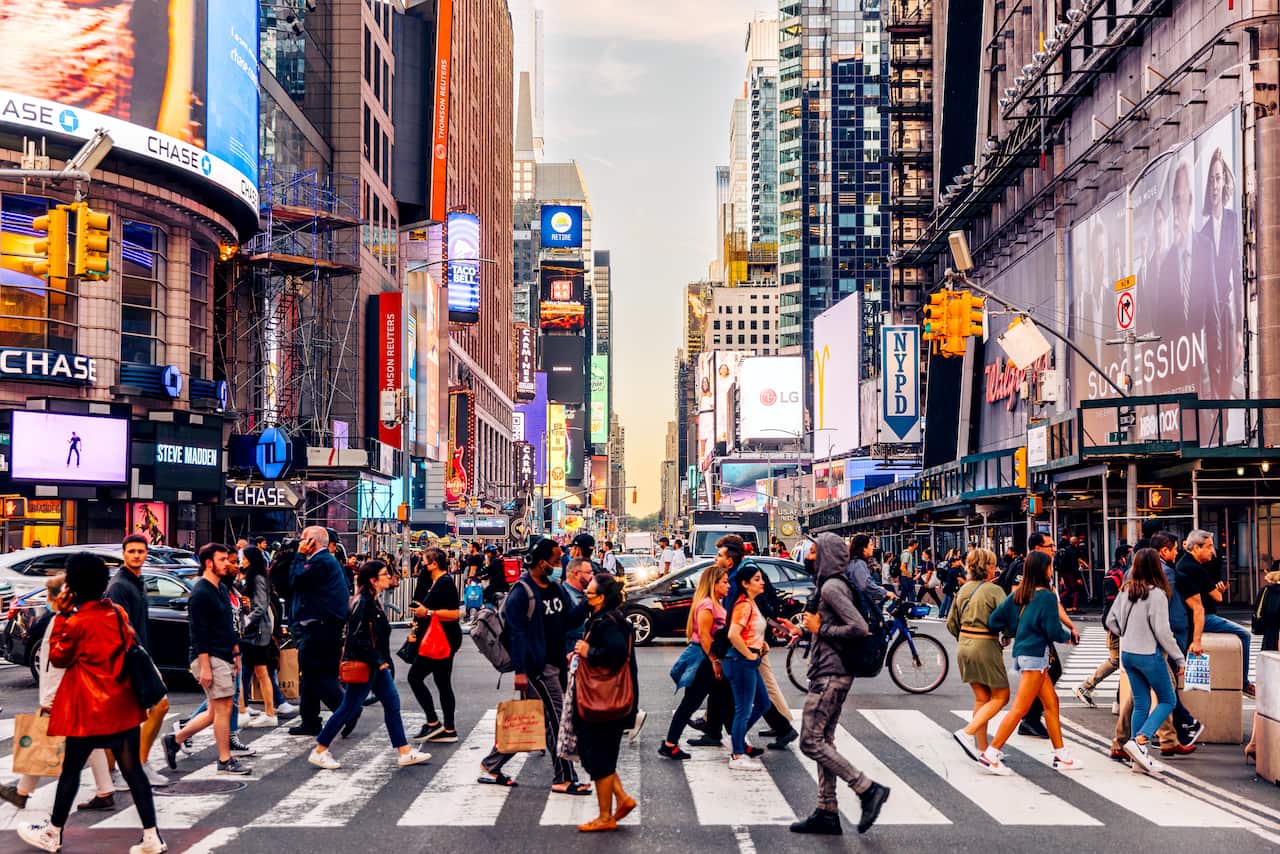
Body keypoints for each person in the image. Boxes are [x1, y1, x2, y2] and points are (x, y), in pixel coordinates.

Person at [16, 553, 166, 854]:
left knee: (71, 771)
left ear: (73, 585)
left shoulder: (74, 623)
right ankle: (152, 836)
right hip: (122, 704)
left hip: (87, 710)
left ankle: (53, 833)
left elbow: (59, 657)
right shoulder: (117, 613)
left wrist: (60, 615)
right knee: (132, 770)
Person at [791, 533, 890, 836]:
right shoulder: (828, 585)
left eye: (814, 551)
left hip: (831, 676)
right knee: (824, 740)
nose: (809, 556)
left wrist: (823, 629)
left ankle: (866, 788)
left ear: (828, 556)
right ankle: (826, 810)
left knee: (810, 741)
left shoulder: (833, 587)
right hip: (830, 671)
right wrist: (807, 632)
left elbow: (858, 627)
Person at [479, 538, 591, 794]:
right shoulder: (522, 592)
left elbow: (567, 622)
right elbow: (517, 634)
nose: (559, 565)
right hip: (537, 668)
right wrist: (520, 672)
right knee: (558, 719)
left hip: (556, 664)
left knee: (540, 720)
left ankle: (491, 765)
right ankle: (564, 777)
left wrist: (588, 603)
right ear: (542, 563)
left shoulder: (556, 589)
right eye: (555, 561)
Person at [0, 573, 115, 813]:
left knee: (41, 740)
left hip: (63, 696)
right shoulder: (72, 618)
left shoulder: (62, 622)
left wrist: (48, 700)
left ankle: (23, 793)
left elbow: (56, 664)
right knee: (88, 742)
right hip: (74, 693)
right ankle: (104, 791)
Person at [307, 560, 431, 770]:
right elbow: (358, 639)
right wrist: (378, 661)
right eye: (384, 574)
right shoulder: (363, 602)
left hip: (375, 665)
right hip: (367, 665)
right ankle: (320, 749)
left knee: (392, 703)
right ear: (373, 580)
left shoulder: (372, 600)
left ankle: (403, 750)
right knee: (349, 708)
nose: (388, 577)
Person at [982, 550, 1082, 774]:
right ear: (1044, 570)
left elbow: (995, 619)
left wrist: (1014, 630)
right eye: (1050, 566)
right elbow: (1052, 629)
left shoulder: (1020, 594)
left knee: (1052, 703)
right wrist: (1070, 637)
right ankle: (991, 753)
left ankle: (1061, 755)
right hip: (1036, 656)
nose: (1051, 570)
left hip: (1026, 653)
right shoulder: (1046, 596)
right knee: (1020, 709)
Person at [1110, 533, 1201, 760]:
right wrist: (1179, 658)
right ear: (1155, 567)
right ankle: (1141, 739)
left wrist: (1126, 632)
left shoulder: (1127, 590)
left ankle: (1134, 748)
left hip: (1128, 654)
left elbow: (1111, 620)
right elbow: (1162, 632)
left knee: (1141, 703)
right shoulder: (1157, 594)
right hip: (1149, 655)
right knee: (1167, 699)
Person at [163, 544, 252, 776]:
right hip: (210, 656)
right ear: (209, 563)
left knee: (214, 711)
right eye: (222, 559)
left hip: (224, 654)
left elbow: (227, 625)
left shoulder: (221, 588)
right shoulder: (201, 593)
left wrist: (235, 653)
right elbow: (199, 633)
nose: (228, 563)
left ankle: (175, 740)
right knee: (222, 710)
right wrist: (205, 667)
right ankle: (225, 759)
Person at [571, 574, 639, 832]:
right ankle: (621, 800)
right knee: (596, 756)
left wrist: (589, 652)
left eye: (588, 594)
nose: (585, 597)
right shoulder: (606, 618)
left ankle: (605, 816)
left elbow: (617, 653)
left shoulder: (608, 622)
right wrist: (581, 653)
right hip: (606, 699)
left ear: (600, 598)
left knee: (598, 755)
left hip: (606, 700)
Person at [108, 534, 170, 785]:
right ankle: (137, 766)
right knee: (157, 706)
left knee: (127, 718)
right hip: (129, 659)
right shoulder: (119, 586)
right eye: (131, 551)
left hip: (137, 655)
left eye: (140, 551)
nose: (136, 555)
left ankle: (121, 770)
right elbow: (119, 627)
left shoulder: (136, 580)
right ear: (123, 554)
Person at [659, 562, 731, 760]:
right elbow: (706, 637)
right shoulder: (707, 605)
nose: (728, 586)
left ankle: (738, 742)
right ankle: (669, 744)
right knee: (690, 704)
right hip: (704, 662)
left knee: (725, 700)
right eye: (724, 582)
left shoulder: (716, 603)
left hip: (710, 660)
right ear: (713, 584)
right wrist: (715, 661)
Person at [287, 526, 351, 736]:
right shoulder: (326, 561)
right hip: (323, 625)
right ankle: (310, 721)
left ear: (311, 543)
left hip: (320, 626)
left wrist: (298, 556)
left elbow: (295, 581)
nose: (300, 543)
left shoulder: (320, 561)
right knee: (311, 676)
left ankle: (347, 711)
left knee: (315, 674)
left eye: (303, 540)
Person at [948, 548, 1010, 762]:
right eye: (993, 564)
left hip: (964, 644)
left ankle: (983, 749)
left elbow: (951, 623)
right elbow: (1008, 619)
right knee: (1001, 696)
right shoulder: (994, 590)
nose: (995, 568)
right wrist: (1007, 635)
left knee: (982, 698)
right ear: (988, 567)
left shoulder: (963, 590)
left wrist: (964, 636)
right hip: (985, 644)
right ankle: (967, 732)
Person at [1176, 529, 1254, 696]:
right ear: (1196, 548)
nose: (1213, 551)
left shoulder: (1183, 564)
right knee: (1244, 635)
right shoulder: (1195, 568)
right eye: (1209, 546)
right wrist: (1220, 589)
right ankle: (1244, 682)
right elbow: (1217, 597)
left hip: (1189, 616)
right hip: (1202, 617)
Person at [407, 547, 462, 743]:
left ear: (434, 564)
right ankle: (448, 729)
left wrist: (428, 613)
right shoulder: (437, 582)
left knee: (414, 677)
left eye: (424, 561)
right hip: (442, 638)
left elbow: (455, 613)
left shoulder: (444, 583)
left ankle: (433, 722)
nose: (422, 564)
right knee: (442, 682)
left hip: (442, 639)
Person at [723, 561, 773, 770]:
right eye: (757, 579)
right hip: (741, 661)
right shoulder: (743, 605)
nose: (762, 583)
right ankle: (737, 753)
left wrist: (761, 645)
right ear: (745, 583)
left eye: (761, 578)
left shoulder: (752, 603)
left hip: (748, 660)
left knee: (763, 703)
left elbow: (749, 632)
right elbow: (733, 634)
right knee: (743, 710)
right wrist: (749, 654)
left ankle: (737, 738)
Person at [238, 546, 278, 729]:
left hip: (258, 631)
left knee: (261, 672)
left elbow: (260, 606)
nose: (241, 561)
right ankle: (246, 709)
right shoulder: (252, 576)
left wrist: (246, 620)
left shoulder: (258, 578)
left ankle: (269, 712)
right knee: (256, 671)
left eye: (244, 558)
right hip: (256, 631)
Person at [1246, 564, 1280, 763]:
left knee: (1267, 693)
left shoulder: (1266, 591)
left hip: (1269, 641)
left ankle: (1254, 743)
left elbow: (1257, 623)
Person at [846, 534, 895, 607]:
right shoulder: (859, 564)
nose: (873, 548)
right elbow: (866, 584)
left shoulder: (852, 562)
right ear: (864, 548)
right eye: (871, 545)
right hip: (859, 604)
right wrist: (885, 592)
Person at [939, 554, 965, 620]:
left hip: (947, 586)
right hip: (952, 588)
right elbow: (959, 579)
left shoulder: (949, 569)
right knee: (950, 601)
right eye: (956, 561)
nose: (958, 562)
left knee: (945, 601)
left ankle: (941, 614)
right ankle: (948, 615)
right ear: (953, 563)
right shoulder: (955, 570)